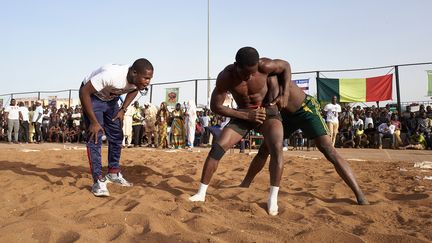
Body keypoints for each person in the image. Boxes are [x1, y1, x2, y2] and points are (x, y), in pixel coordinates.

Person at [189, 47, 291, 216]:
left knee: (276, 147)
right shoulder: (226, 76)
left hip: (267, 112)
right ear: (236, 65)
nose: (249, 76)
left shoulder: (264, 66)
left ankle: (272, 198)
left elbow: (286, 66)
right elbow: (216, 106)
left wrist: (285, 93)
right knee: (217, 148)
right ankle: (201, 193)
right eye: (245, 73)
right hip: (243, 114)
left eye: (252, 72)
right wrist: (245, 114)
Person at [239, 75, 368, 205]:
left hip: (305, 108)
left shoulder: (270, 72)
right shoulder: (249, 87)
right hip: (284, 114)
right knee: (264, 148)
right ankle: (245, 184)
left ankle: (359, 194)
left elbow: (284, 73)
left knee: (328, 149)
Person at [79, 59, 154, 197]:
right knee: (96, 135)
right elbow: (84, 92)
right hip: (92, 97)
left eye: (150, 78)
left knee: (117, 135)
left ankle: (113, 172)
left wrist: (123, 109)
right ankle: (97, 180)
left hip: (110, 100)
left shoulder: (137, 82)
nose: (148, 81)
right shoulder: (112, 76)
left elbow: (134, 89)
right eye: (146, 78)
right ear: (134, 73)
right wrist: (94, 122)